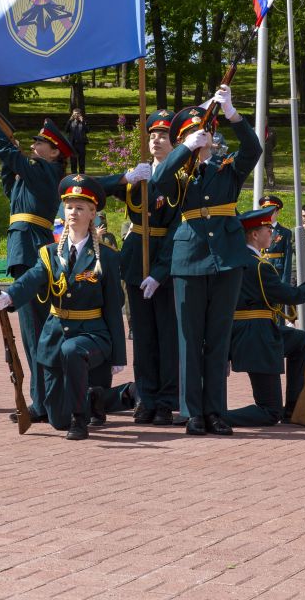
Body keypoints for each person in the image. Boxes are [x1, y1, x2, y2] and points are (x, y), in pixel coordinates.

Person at [155, 85, 262, 436]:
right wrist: (183, 148)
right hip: (188, 259)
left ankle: (216, 410)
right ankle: (192, 412)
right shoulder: (178, 175)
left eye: (204, 134)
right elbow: (158, 180)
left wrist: (233, 115)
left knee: (218, 338)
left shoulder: (227, 169)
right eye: (192, 135)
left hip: (227, 260)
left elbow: (253, 149)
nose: (202, 140)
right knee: (189, 338)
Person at [0, 175, 125, 441]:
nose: (73, 212)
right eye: (69, 207)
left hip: (92, 334)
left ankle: (80, 421)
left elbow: (114, 306)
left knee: (72, 351)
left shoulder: (106, 257)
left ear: (92, 214)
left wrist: (118, 356)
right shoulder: (50, 252)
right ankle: (102, 398)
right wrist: (9, 297)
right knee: (57, 419)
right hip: (55, 335)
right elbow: (32, 278)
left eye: (80, 207)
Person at [0, 87, 70, 423]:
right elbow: (9, 184)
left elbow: (11, 159)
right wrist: (8, 156)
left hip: (33, 250)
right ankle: (42, 399)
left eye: (42, 144)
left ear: (55, 153)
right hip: (23, 250)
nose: (34, 146)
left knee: (36, 332)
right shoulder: (33, 174)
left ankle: (44, 402)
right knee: (30, 333)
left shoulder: (47, 173)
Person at [96, 109, 181, 426]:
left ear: (175, 142)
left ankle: (167, 400)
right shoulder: (138, 175)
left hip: (166, 261)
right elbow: (90, 189)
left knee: (167, 336)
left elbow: (177, 230)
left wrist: (160, 272)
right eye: (153, 134)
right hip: (135, 260)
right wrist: (124, 178)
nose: (157, 139)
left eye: (163, 135)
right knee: (143, 335)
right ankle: (145, 396)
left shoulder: (180, 178)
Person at [225, 207, 305, 427]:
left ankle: (297, 406)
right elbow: (291, 295)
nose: (272, 233)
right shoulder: (259, 266)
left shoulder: (243, 259)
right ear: (254, 234)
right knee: (269, 412)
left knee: (301, 341)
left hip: (254, 330)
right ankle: (218, 415)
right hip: (256, 337)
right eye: (267, 229)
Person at [258, 195, 293, 284]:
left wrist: (285, 282)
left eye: (271, 212)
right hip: (259, 271)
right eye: (265, 211)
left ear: (277, 212)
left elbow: (287, 259)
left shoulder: (285, 233)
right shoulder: (257, 230)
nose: (267, 215)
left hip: (276, 273)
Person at [66, 108, 88, 173]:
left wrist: (82, 122)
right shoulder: (71, 122)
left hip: (81, 144)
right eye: (75, 114)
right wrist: (69, 120)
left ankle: (82, 175)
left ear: (80, 114)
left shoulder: (84, 122)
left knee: (81, 161)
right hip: (73, 144)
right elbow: (66, 130)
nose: (77, 115)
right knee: (73, 161)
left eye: (78, 113)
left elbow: (87, 130)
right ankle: (74, 175)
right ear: (73, 114)